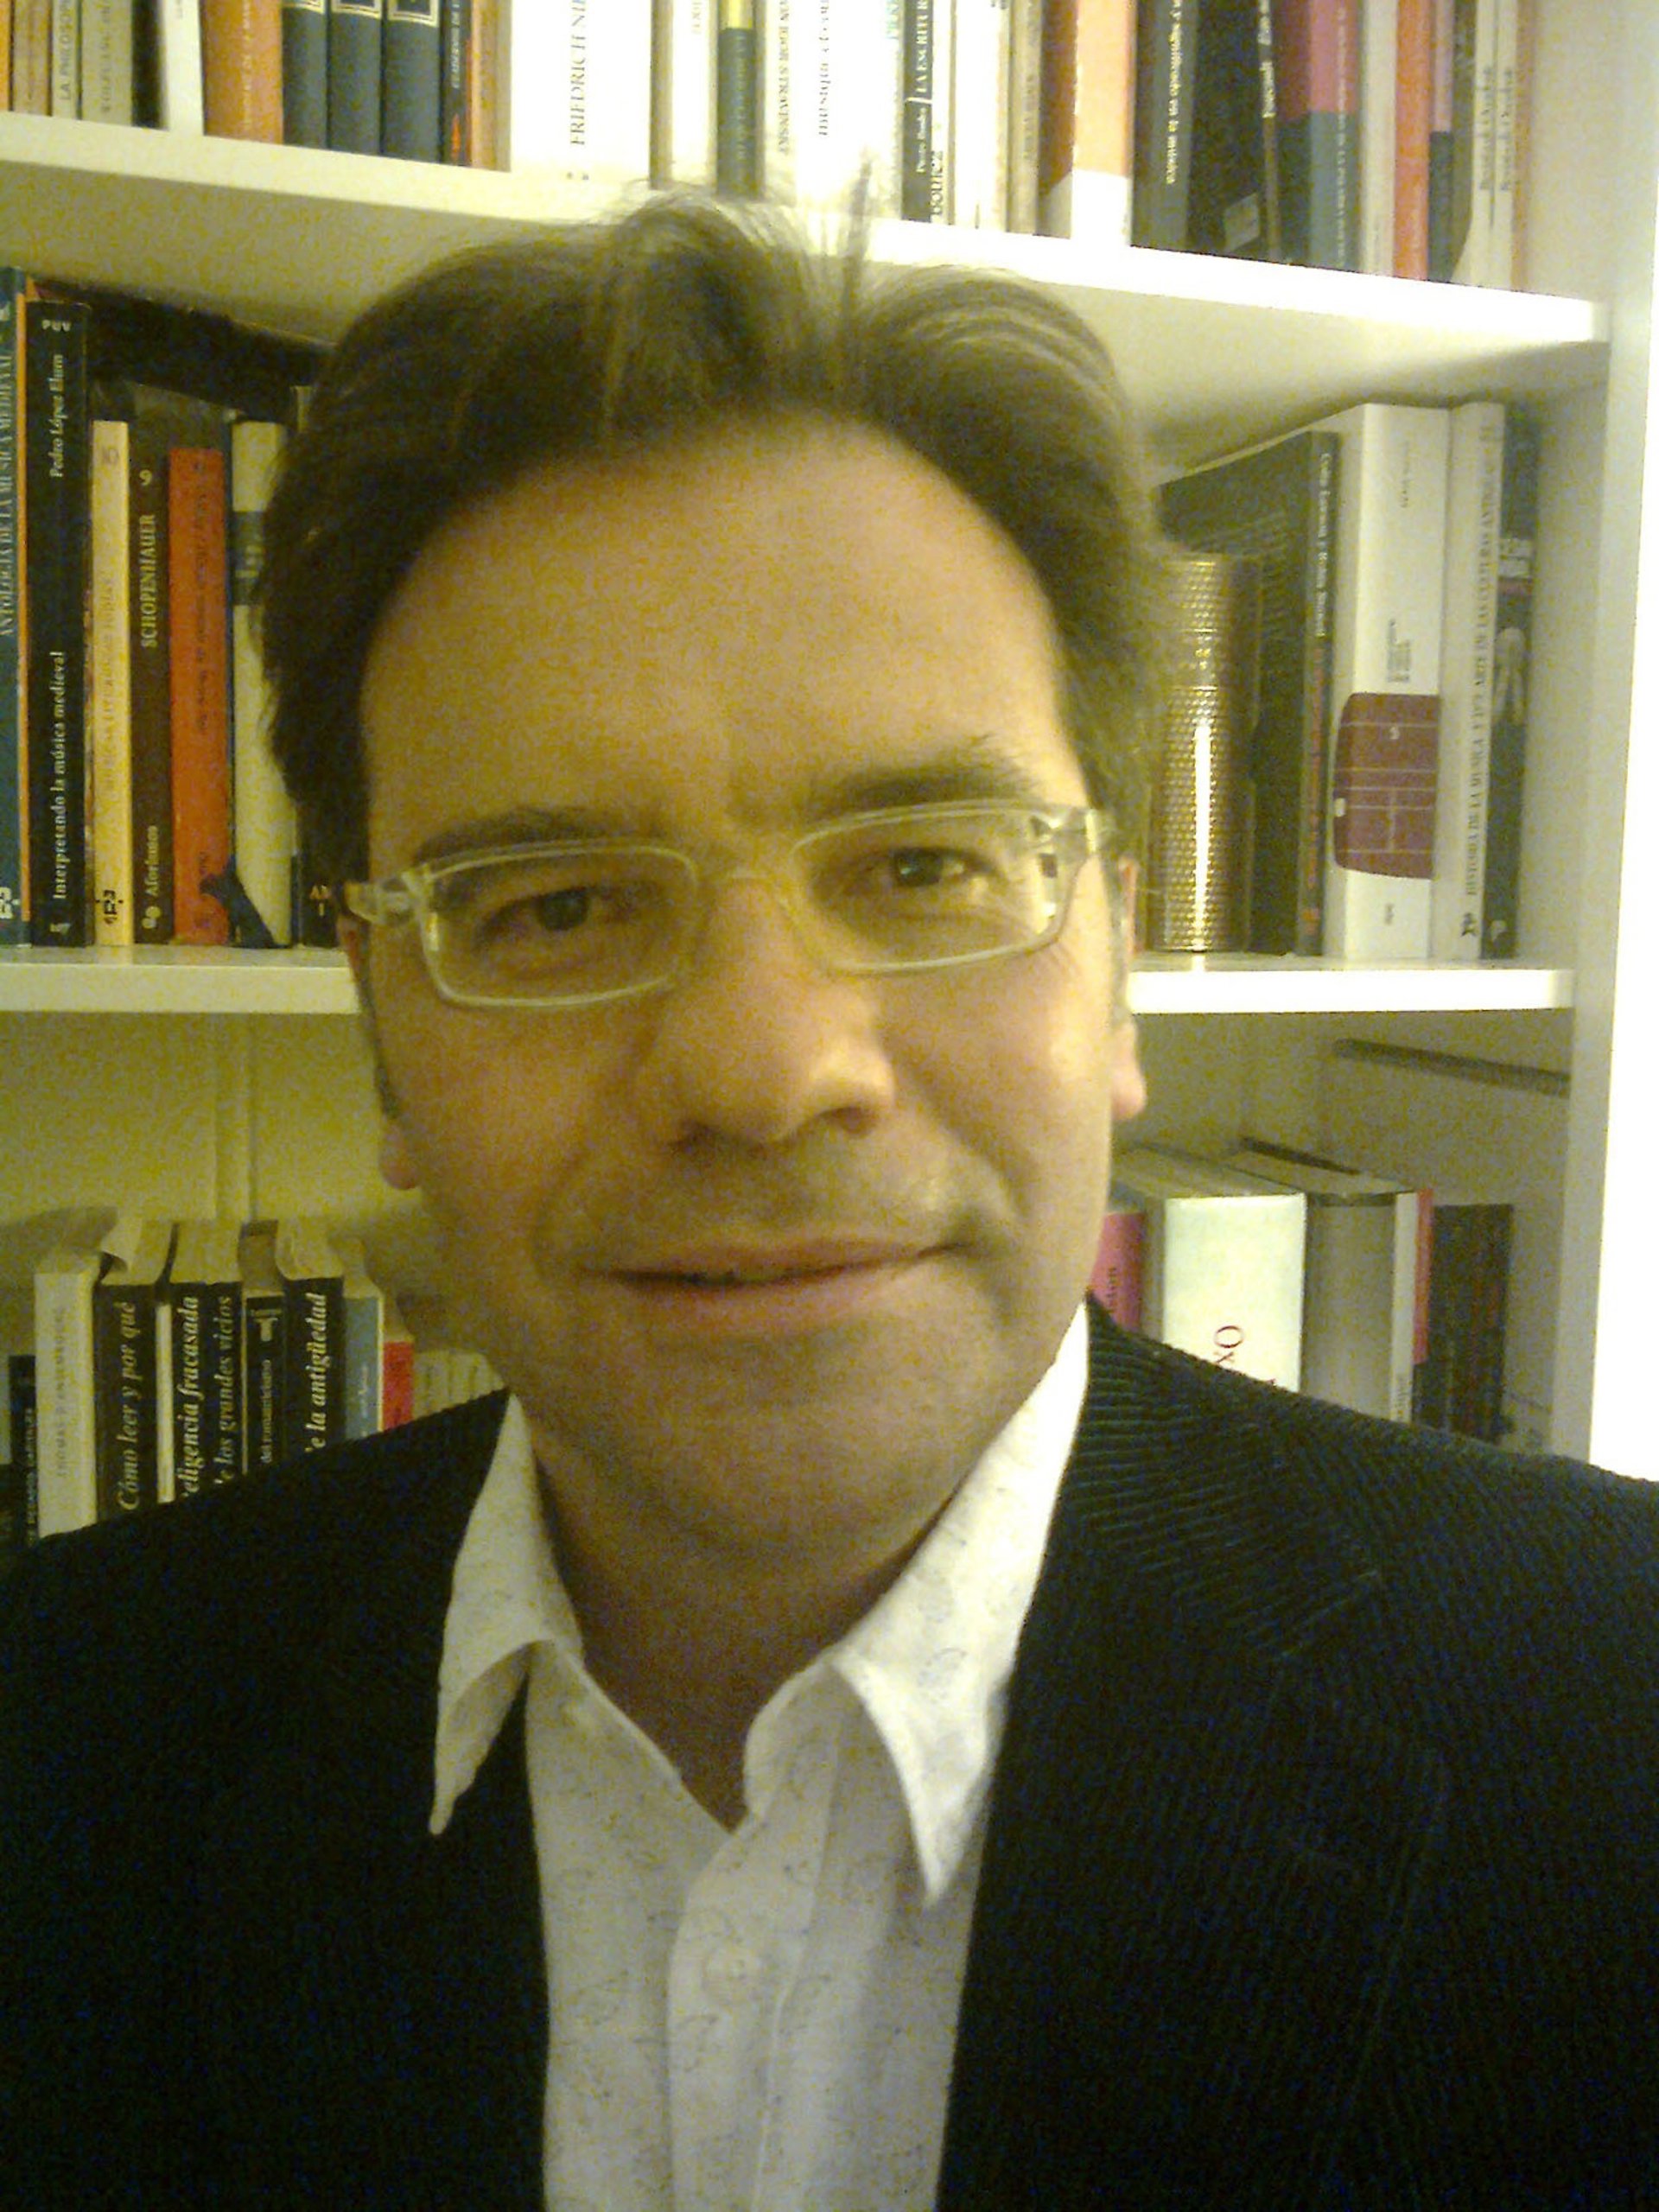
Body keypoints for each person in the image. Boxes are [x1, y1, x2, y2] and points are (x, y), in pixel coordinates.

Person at [3, 194, 1658, 2212]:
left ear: (1118, 970)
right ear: (383, 1036)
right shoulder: (54, 1739)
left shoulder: (1618, 1726)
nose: (768, 1068)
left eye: (927, 864)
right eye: (557, 904)